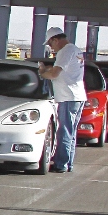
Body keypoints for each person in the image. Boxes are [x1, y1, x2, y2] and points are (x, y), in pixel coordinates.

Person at [38, 26, 87, 173]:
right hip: (76, 96)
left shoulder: (65, 51)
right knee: (70, 132)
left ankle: (61, 164)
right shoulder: (75, 50)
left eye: (50, 43)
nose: (51, 47)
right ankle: (67, 163)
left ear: (56, 39)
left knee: (65, 131)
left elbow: (54, 74)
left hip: (68, 97)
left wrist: (41, 73)